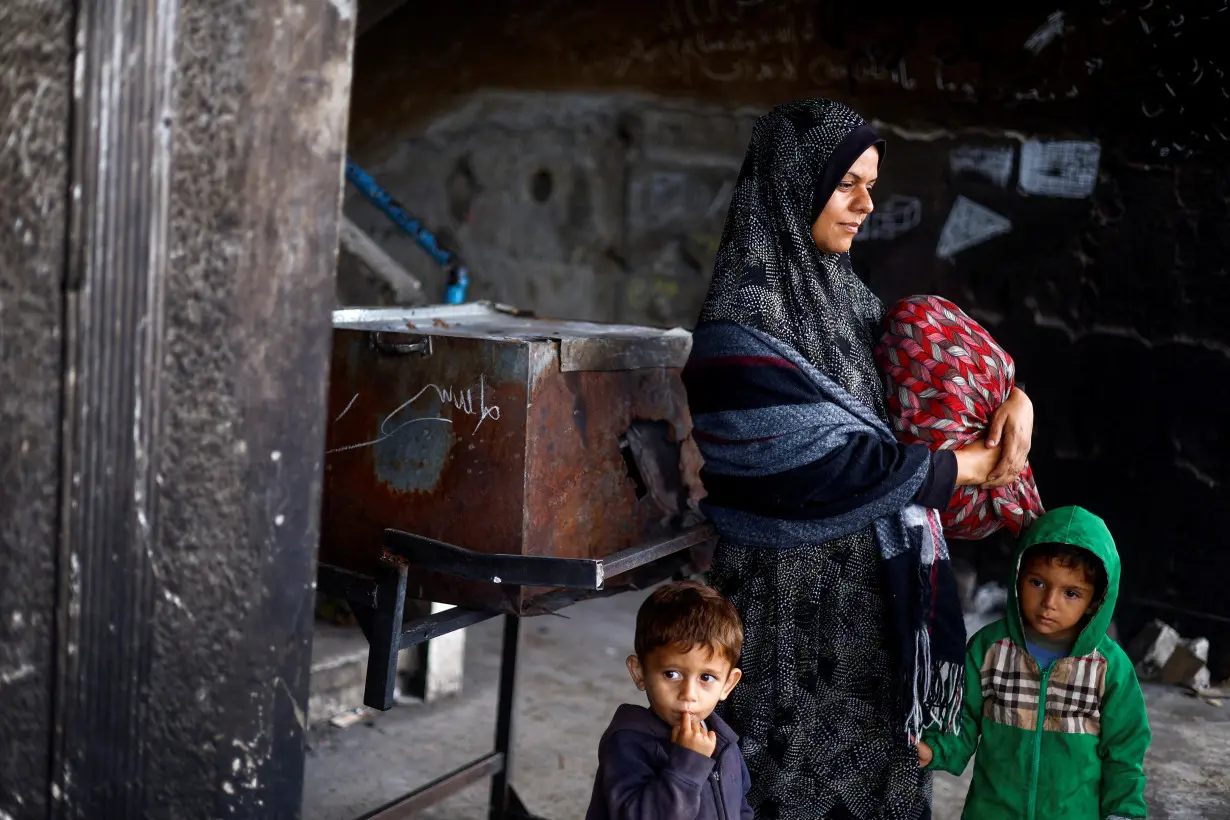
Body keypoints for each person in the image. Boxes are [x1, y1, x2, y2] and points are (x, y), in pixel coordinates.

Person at [682, 98, 1035, 819]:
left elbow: (937, 387)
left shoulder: (847, 297)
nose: (867, 204)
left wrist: (1015, 397)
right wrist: (952, 471)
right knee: (785, 794)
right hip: (787, 620)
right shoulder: (740, 320)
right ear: (794, 182)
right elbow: (797, 475)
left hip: (873, 616)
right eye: (849, 185)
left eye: (872, 185)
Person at [916, 506, 1150, 819]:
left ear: (1096, 600)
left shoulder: (1109, 668)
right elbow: (962, 719)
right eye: (1037, 583)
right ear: (1017, 576)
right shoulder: (989, 649)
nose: (1049, 603)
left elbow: (1125, 752)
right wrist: (934, 749)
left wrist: (1124, 811)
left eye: (1071, 593)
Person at [585, 580, 754, 820]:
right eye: (671, 674)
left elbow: (740, 808)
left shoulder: (725, 743)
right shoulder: (627, 744)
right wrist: (688, 764)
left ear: (727, 684)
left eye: (706, 677)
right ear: (640, 672)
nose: (688, 693)